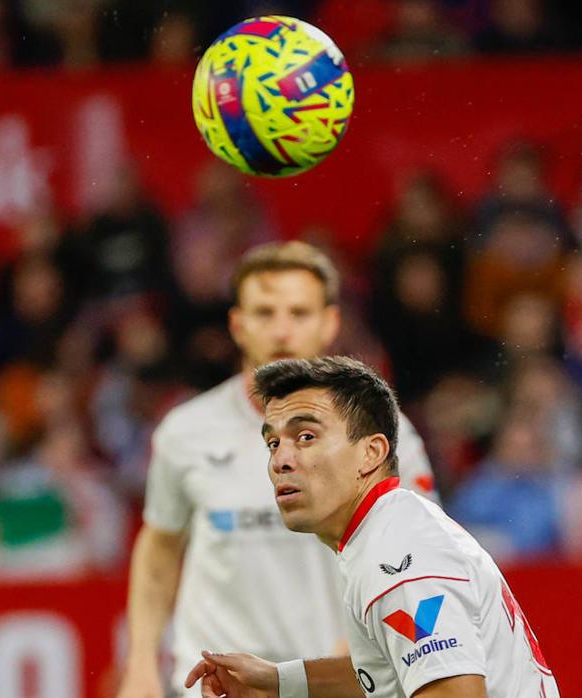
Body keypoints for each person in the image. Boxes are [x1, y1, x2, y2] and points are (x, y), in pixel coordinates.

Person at [119, 242, 438, 698]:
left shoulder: (384, 434)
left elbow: (414, 558)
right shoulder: (185, 432)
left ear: (330, 323)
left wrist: (353, 655)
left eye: (299, 313)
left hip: (331, 683)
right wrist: (140, 664)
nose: (282, 330)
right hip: (217, 686)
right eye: (265, 313)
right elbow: (161, 546)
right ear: (237, 325)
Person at [185, 356, 557, 698]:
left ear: (371, 453)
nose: (280, 459)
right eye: (272, 442)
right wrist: (279, 682)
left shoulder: (397, 557)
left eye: (306, 437)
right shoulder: (386, 532)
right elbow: (389, 670)